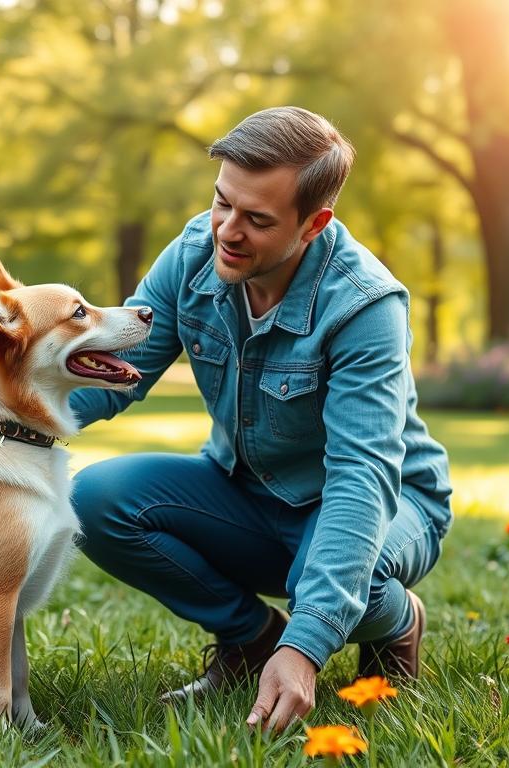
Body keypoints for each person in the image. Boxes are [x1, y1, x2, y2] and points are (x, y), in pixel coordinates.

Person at [67, 106, 452, 733]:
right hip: (244, 491)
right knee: (91, 499)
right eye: (222, 203)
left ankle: (396, 620)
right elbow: (114, 375)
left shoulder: (366, 307)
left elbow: (362, 480)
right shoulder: (195, 251)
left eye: (257, 219)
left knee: (327, 577)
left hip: (381, 504)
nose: (226, 230)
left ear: (314, 223)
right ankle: (250, 640)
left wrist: (305, 648)